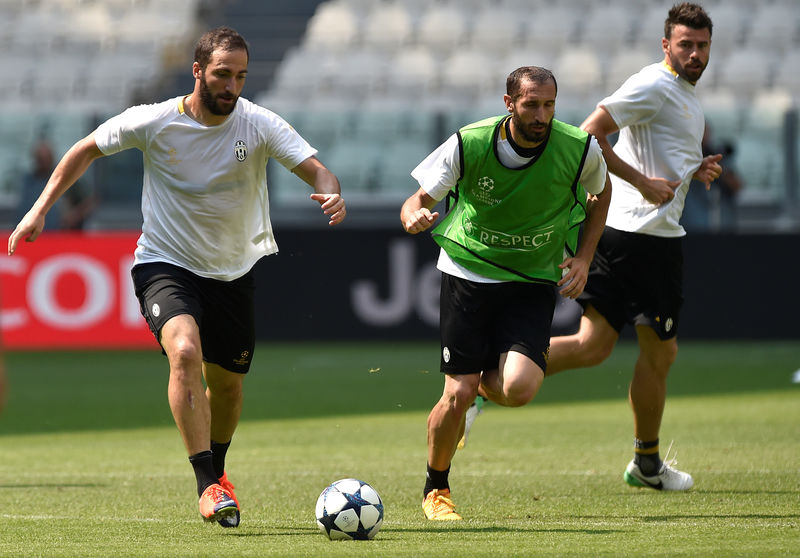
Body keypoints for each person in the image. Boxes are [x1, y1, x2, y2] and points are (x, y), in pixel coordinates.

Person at [8, 27, 346, 527]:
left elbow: (317, 170)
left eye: (240, 76)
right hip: (165, 263)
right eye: (222, 75)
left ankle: (219, 470)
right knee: (184, 351)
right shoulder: (155, 120)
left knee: (227, 387)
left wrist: (330, 191)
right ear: (197, 72)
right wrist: (39, 211)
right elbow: (84, 149)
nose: (232, 86)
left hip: (232, 271)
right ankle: (206, 483)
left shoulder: (257, 122)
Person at [401, 66, 610, 520]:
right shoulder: (470, 142)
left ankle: (478, 392)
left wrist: (584, 257)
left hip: (532, 278)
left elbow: (601, 193)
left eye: (549, 105)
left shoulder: (578, 148)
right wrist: (414, 216)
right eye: (532, 104)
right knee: (456, 392)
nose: (542, 115)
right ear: (509, 103)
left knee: (517, 389)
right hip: (468, 273)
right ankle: (436, 488)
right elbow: (416, 201)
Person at [544, 3, 722, 491]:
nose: (694, 53)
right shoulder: (654, 84)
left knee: (593, 346)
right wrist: (641, 182)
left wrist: (694, 168)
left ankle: (491, 371)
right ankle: (646, 464)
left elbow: (654, 148)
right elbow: (589, 133)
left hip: (635, 235)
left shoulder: (681, 93)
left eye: (702, 45)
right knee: (661, 354)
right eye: (685, 44)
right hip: (641, 240)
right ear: (666, 45)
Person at [18, 135, 96, 231]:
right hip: (35, 233)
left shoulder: (65, 176)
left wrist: (74, 216)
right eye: (40, 159)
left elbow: (90, 201)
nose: (43, 162)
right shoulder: (29, 180)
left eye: (46, 158)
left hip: (61, 234)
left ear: (51, 157)